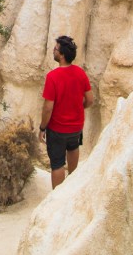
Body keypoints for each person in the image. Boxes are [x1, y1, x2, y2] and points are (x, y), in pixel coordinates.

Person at [39, 35, 93, 189]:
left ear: (61, 54)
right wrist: (77, 108)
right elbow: (90, 100)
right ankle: (71, 190)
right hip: (76, 127)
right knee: (73, 149)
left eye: (55, 49)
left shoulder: (53, 77)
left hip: (57, 129)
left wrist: (42, 128)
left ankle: (57, 199)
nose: (53, 51)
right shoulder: (80, 73)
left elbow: (48, 108)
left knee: (57, 164)